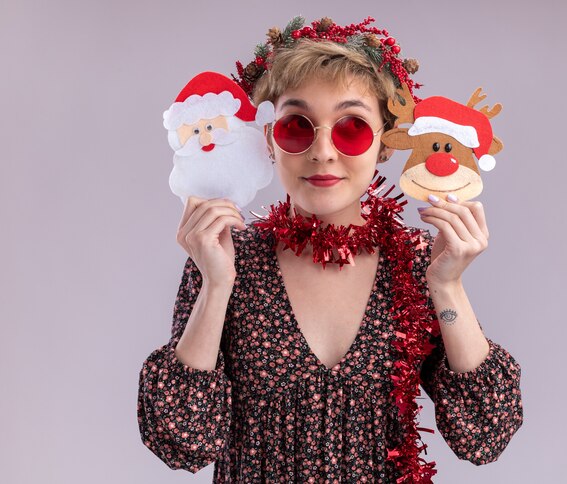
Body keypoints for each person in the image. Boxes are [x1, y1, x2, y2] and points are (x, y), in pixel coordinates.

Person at [137, 16, 523, 483]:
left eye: (352, 128)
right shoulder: (224, 256)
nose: (322, 151)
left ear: (384, 142)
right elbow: (183, 440)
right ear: (267, 139)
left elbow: (485, 433)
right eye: (298, 126)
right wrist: (217, 285)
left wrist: (448, 286)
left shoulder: (416, 262)